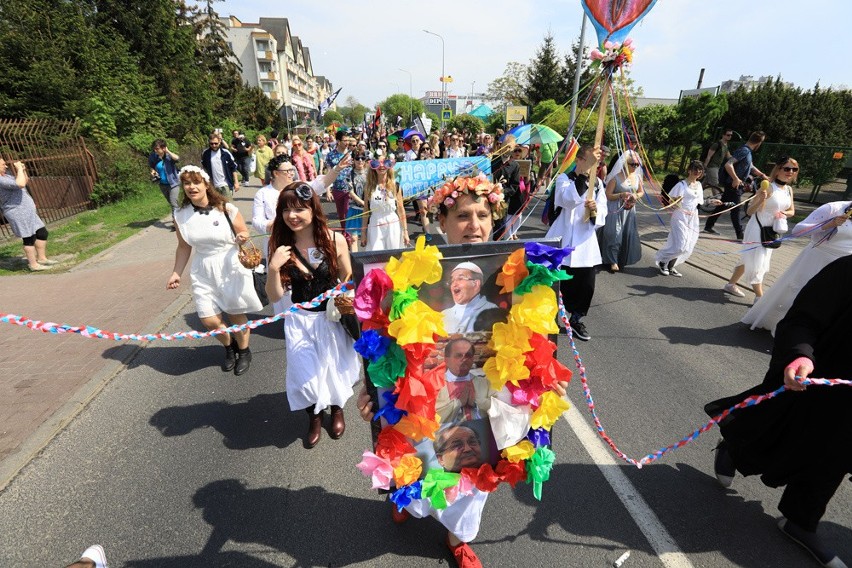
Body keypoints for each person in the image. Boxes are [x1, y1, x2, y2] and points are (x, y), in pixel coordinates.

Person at [705, 254, 852, 568]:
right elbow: (801, 321)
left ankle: (800, 521)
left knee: (834, 459)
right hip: (812, 383)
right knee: (771, 431)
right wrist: (800, 356)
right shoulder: (847, 270)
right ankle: (734, 445)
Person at [265, 182, 360, 448]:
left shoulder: (334, 239)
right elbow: (274, 296)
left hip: (331, 319)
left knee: (334, 369)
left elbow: (349, 276)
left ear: (312, 209)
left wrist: (343, 295)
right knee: (305, 375)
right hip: (300, 321)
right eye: (286, 210)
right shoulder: (281, 247)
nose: (292, 215)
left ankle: (336, 409)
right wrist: (273, 269)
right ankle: (314, 416)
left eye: (299, 209)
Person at [167, 165, 260, 375]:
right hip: (202, 268)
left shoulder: (225, 208)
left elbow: (243, 231)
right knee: (209, 319)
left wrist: (243, 236)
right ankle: (229, 346)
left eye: (196, 182)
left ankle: (244, 351)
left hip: (230, 264)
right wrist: (176, 273)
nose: (191, 187)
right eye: (187, 183)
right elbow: (184, 246)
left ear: (206, 184)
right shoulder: (180, 214)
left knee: (236, 315)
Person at [742, 200, 852, 334]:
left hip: (842, 266)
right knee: (797, 294)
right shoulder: (833, 208)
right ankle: (782, 326)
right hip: (817, 258)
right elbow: (798, 230)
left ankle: (808, 333)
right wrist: (830, 224)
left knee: (827, 301)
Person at [544, 145, 608, 341]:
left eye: (595, 163)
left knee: (585, 286)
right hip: (562, 241)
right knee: (556, 285)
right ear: (579, 160)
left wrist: (595, 210)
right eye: (589, 162)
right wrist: (582, 177)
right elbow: (567, 200)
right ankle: (547, 319)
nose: (592, 167)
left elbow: (603, 213)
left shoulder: (597, 183)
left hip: (585, 244)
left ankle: (576, 319)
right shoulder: (564, 179)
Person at [723, 157, 797, 302]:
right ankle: (760, 297)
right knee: (759, 262)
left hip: (771, 230)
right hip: (757, 228)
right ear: (778, 170)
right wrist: (760, 199)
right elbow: (750, 211)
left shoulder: (788, 189)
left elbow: (792, 211)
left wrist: (784, 214)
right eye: (787, 169)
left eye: (794, 169)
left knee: (748, 258)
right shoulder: (768, 187)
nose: (791, 172)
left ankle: (730, 284)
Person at [654, 161, 720, 277]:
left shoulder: (699, 185)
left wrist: (711, 201)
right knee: (681, 245)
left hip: (693, 217)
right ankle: (663, 260)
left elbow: (699, 202)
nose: (697, 172)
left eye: (700, 171)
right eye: (695, 170)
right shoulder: (681, 185)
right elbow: (670, 201)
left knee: (688, 245)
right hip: (680, 216)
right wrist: (675, 201)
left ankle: (671, 265)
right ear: (689, 170)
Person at [704, 131, 767, 239]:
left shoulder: (747, 152)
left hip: (733, 185)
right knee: (736, 209)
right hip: (734, 185)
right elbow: (729, 164)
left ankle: (708, 226)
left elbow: (751, 167)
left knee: (723, 204)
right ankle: (740, 234)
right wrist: (736, 178)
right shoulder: (744, 151)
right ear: (759, 142)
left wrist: (762, 175)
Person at [0, 156, 59, 271]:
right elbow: (20, 184)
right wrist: (19, 170)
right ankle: (33, 265)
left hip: (27, 210)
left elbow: (24, 181)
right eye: (3, 164)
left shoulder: (6, 176)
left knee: (42, 232)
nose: (6, 166)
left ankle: (42, 258)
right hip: (17, 212)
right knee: (29, 237)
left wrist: (23, 170)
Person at [599, 150, 644, 272]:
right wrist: (621, 195)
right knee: (615, 234)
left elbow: (641, 191)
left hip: (629, 210)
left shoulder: (637, 177)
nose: (635, 167)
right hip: (615, 208)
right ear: (625, 164)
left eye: (637, 164)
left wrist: (636, 196)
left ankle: (620, 257)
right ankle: (612, 260)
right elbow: (608, 195)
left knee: (625, 234)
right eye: (632, 164)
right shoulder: (615, 178)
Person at [435, 338, 494, 423]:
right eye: (458, 355)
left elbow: (501, 410)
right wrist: (458, 403)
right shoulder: (434, 384)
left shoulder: (485, 384)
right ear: (446, 360)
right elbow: (428, 418)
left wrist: (476, 402)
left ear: (472, 359)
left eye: (468, 355)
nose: (464, 359)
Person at [359, 158, 408, 251]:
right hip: (375, 223)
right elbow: (366, 211)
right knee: (375, 252)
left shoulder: (395, 185)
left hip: (392, 223)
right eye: (377, 163)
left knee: (394, 254)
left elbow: (401, 210)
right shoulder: (368, 187)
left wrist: (405, 232)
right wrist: (363, 233)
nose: (381, 166)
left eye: (385, 162)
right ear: (373, 167)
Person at [441, 262, 498, 333]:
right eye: (452, 281)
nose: (454, 284)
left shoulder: (491, 310)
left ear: (476, 284)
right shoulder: (444, 315)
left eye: (460, 278)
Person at [325, 130, 353, 228]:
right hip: (337, 188)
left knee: (347, 213)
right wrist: (328, 191)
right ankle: (345, 234)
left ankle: (350, 236)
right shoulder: (330, 155)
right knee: (341, 215)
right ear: (338, 141)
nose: (347, 143)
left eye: (348, 140)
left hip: (350, 190)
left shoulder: (352, 154)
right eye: (345, 140)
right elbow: (328, 173)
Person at [201, 133, 240, 197]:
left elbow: (233, 168)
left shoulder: (225, 153)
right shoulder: (206, 154)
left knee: (228, 206)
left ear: (219, 142)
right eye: (211, 143)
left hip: (225, 185)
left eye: (216, 143)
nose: (214, 145)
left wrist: (236, 182)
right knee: (216, 206)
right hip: (213, 186)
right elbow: (204, 168)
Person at [345, 152, 369, 252]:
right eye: (357, 158)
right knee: (354, 238)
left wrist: (368, 205)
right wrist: (363, 203)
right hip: (355, 209)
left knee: (368, 237)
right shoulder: (349, 174)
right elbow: (350, 192)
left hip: (368, 211)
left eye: (362, 158)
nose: (360, 160)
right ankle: (355, 262)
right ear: (353, 160)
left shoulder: (370, 173)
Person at [148, 139, 181, 212]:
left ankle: (176, 220)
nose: (155, 151)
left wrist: (168, 151)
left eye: (157, 149)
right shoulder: (153, 157)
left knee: (173, 203)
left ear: (163, 148)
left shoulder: (169, 157)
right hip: (163, 185)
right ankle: (181, 213)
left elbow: (177, 158)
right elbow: (152, 167)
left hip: (173, 184)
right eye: (154, 149)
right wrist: (153, 172)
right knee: (171, 202)